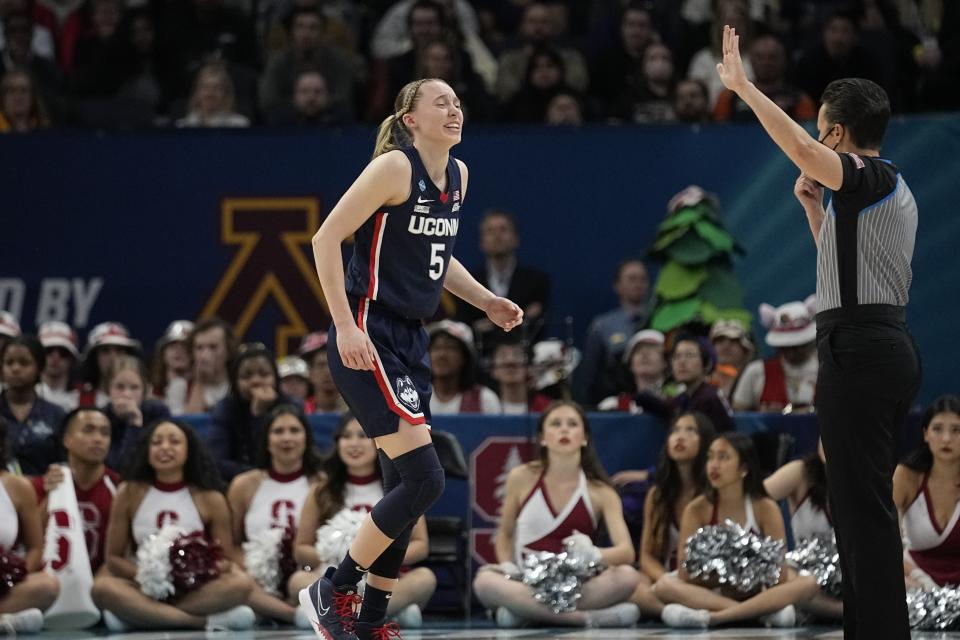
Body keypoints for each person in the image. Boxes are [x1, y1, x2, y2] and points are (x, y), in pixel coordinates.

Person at [717, 23, 921, 639]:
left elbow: (807, 155)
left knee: (863, 509)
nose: (812, 139)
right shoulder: (878, 191)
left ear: (834, 132)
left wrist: (745, 90)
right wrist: (813, 209)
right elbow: (840, 274)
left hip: (861, 347)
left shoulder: (869, 176)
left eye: (819, 129)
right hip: (872, 341)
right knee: (858, 505)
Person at [306, 77, 523, 640]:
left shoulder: (459, 176)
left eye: (457, 101)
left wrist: (486, 300)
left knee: (401, 487)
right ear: (410, 119)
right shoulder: (393, 169)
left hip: (410, 337)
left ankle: (373, 621)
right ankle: (332, 588)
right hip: (368, 329)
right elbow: (325, 240)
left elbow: (439, 256)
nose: (454, 110)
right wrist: (346, 324)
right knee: (425, 479)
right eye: (440, 103)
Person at [472, 402, 641, 628]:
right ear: (542, 437)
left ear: (585, 438)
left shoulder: (602, 492)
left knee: (628, 576)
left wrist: (594, 554)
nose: (564, 430)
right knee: (484, 582)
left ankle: (525, 613)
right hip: (527, 581)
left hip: (577, 584)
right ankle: (584, 619)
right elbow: (505, 534)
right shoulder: (521, 476)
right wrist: (506, 565)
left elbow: (626, 552)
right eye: (555, 424)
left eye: (572, 424)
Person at [91, 419, 256, 631]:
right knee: (102, 588)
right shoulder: (128, 492)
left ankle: (139, 616)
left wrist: (190, 577)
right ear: (147, 451)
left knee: (241, 584)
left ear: (189, 451)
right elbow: (113, 559)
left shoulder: (211, 498)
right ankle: (203, 622)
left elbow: (224, 559)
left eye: (175, 442)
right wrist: (152, 578)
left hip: (194, 587)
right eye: (157, 442)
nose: (165, 448)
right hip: (143, 584)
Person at [654, 432, 818, 628]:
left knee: (809, 583)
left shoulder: (765, 507)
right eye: (710, 457)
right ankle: (752, 613)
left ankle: (717, 617)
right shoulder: (697, 509)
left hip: (756, 591)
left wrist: (746, 578)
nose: (713, 465)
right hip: (713, 592)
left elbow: (780, 574)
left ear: (744, 468)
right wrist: (726, 575)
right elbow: (684, 573)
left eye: (723, 457)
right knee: (664, 585)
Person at [288, 414, 435, 628]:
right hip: (335, 577)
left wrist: (372, 554)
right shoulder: (321, 490)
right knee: (298, 581)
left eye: (362, 436)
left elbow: (421, 545)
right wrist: (340, 553)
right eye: (346, 436)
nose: (354, 444)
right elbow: (301, 549)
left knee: (425, 578)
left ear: (378, 442)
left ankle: (341, 616)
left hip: (383, 579)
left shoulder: (401, 487)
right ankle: (379, 615)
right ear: (337, 443)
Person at [227, 404, 322, 626]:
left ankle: (275, 610)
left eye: (294, 430)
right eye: (278, 431)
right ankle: (295, 614)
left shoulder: (322, 483)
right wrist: (257, 573)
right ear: (267, 440)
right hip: (256, 577)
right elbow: (230, 543)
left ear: (306, 438)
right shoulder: (243, 485)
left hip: (307, 573)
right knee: (233, 581)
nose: (286, 438)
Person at [629, 412, 715, 618]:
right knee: (631, 584)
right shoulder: (657, 495)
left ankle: (697, 610)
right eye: (675, 431)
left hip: (705, 580)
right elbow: (646, 556)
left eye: (690, 430)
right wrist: (666, 579)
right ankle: (676, 613)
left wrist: (681, 584)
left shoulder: (714, 492)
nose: (680, 436)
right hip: (667, 580)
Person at [32, 407, 120, 573]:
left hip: (100, 584)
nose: (98, 439)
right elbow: (30, 544)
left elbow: (122, 554)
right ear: (67, 440)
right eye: (88, 430)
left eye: (105, 433)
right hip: (48, 584)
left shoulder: (119, 488)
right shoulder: (42, 485)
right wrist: (50, 498)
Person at [764, 439, 842, 620]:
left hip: (852, 575)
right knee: (792, 580)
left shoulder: (868, 479)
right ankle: (843, 611)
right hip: (806, 575)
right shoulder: (801, 472)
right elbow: (753, 499)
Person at [0, 417, 59, 634]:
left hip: (3, 586)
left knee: (47, 586)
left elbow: (35, 549)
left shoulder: (18, 487)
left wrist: (10, 575)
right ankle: (7, 622)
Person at [894, 395, 960, 590]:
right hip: (914, 583)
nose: (946, 438)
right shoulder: (906, 476)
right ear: (925, 434)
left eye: (956, 430)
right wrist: (920, 580)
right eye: (937, 429)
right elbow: (884, 545)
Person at [208, 343, 290, 482]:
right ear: (235, 381)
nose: (256, 381)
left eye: (264, 374)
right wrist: (257, 413)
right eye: (246, 376)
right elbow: (216, 462)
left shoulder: (290, 406)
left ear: (276, 378)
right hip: (237, 484)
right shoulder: (224, 409)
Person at [0, 335, 65, 475]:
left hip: (43, 491)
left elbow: (63, 464)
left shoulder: (56, 414)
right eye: (9, 362)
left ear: (39, 367)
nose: (15, 368)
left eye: (24, 363)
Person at [103, 355, 170, 470]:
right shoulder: (102, 417)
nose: (127, 394)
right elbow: (119, 467)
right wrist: (134, 424)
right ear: (108, 389)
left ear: (144, 390)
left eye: (134, 387)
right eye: (119, 387)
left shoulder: (158, 413)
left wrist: (135, 421)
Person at [36, 321, 80, 412]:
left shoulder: (83, 399)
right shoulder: (23, 393)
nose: (55, 357)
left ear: (72, 358)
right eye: (48, 350)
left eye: (63, 352)